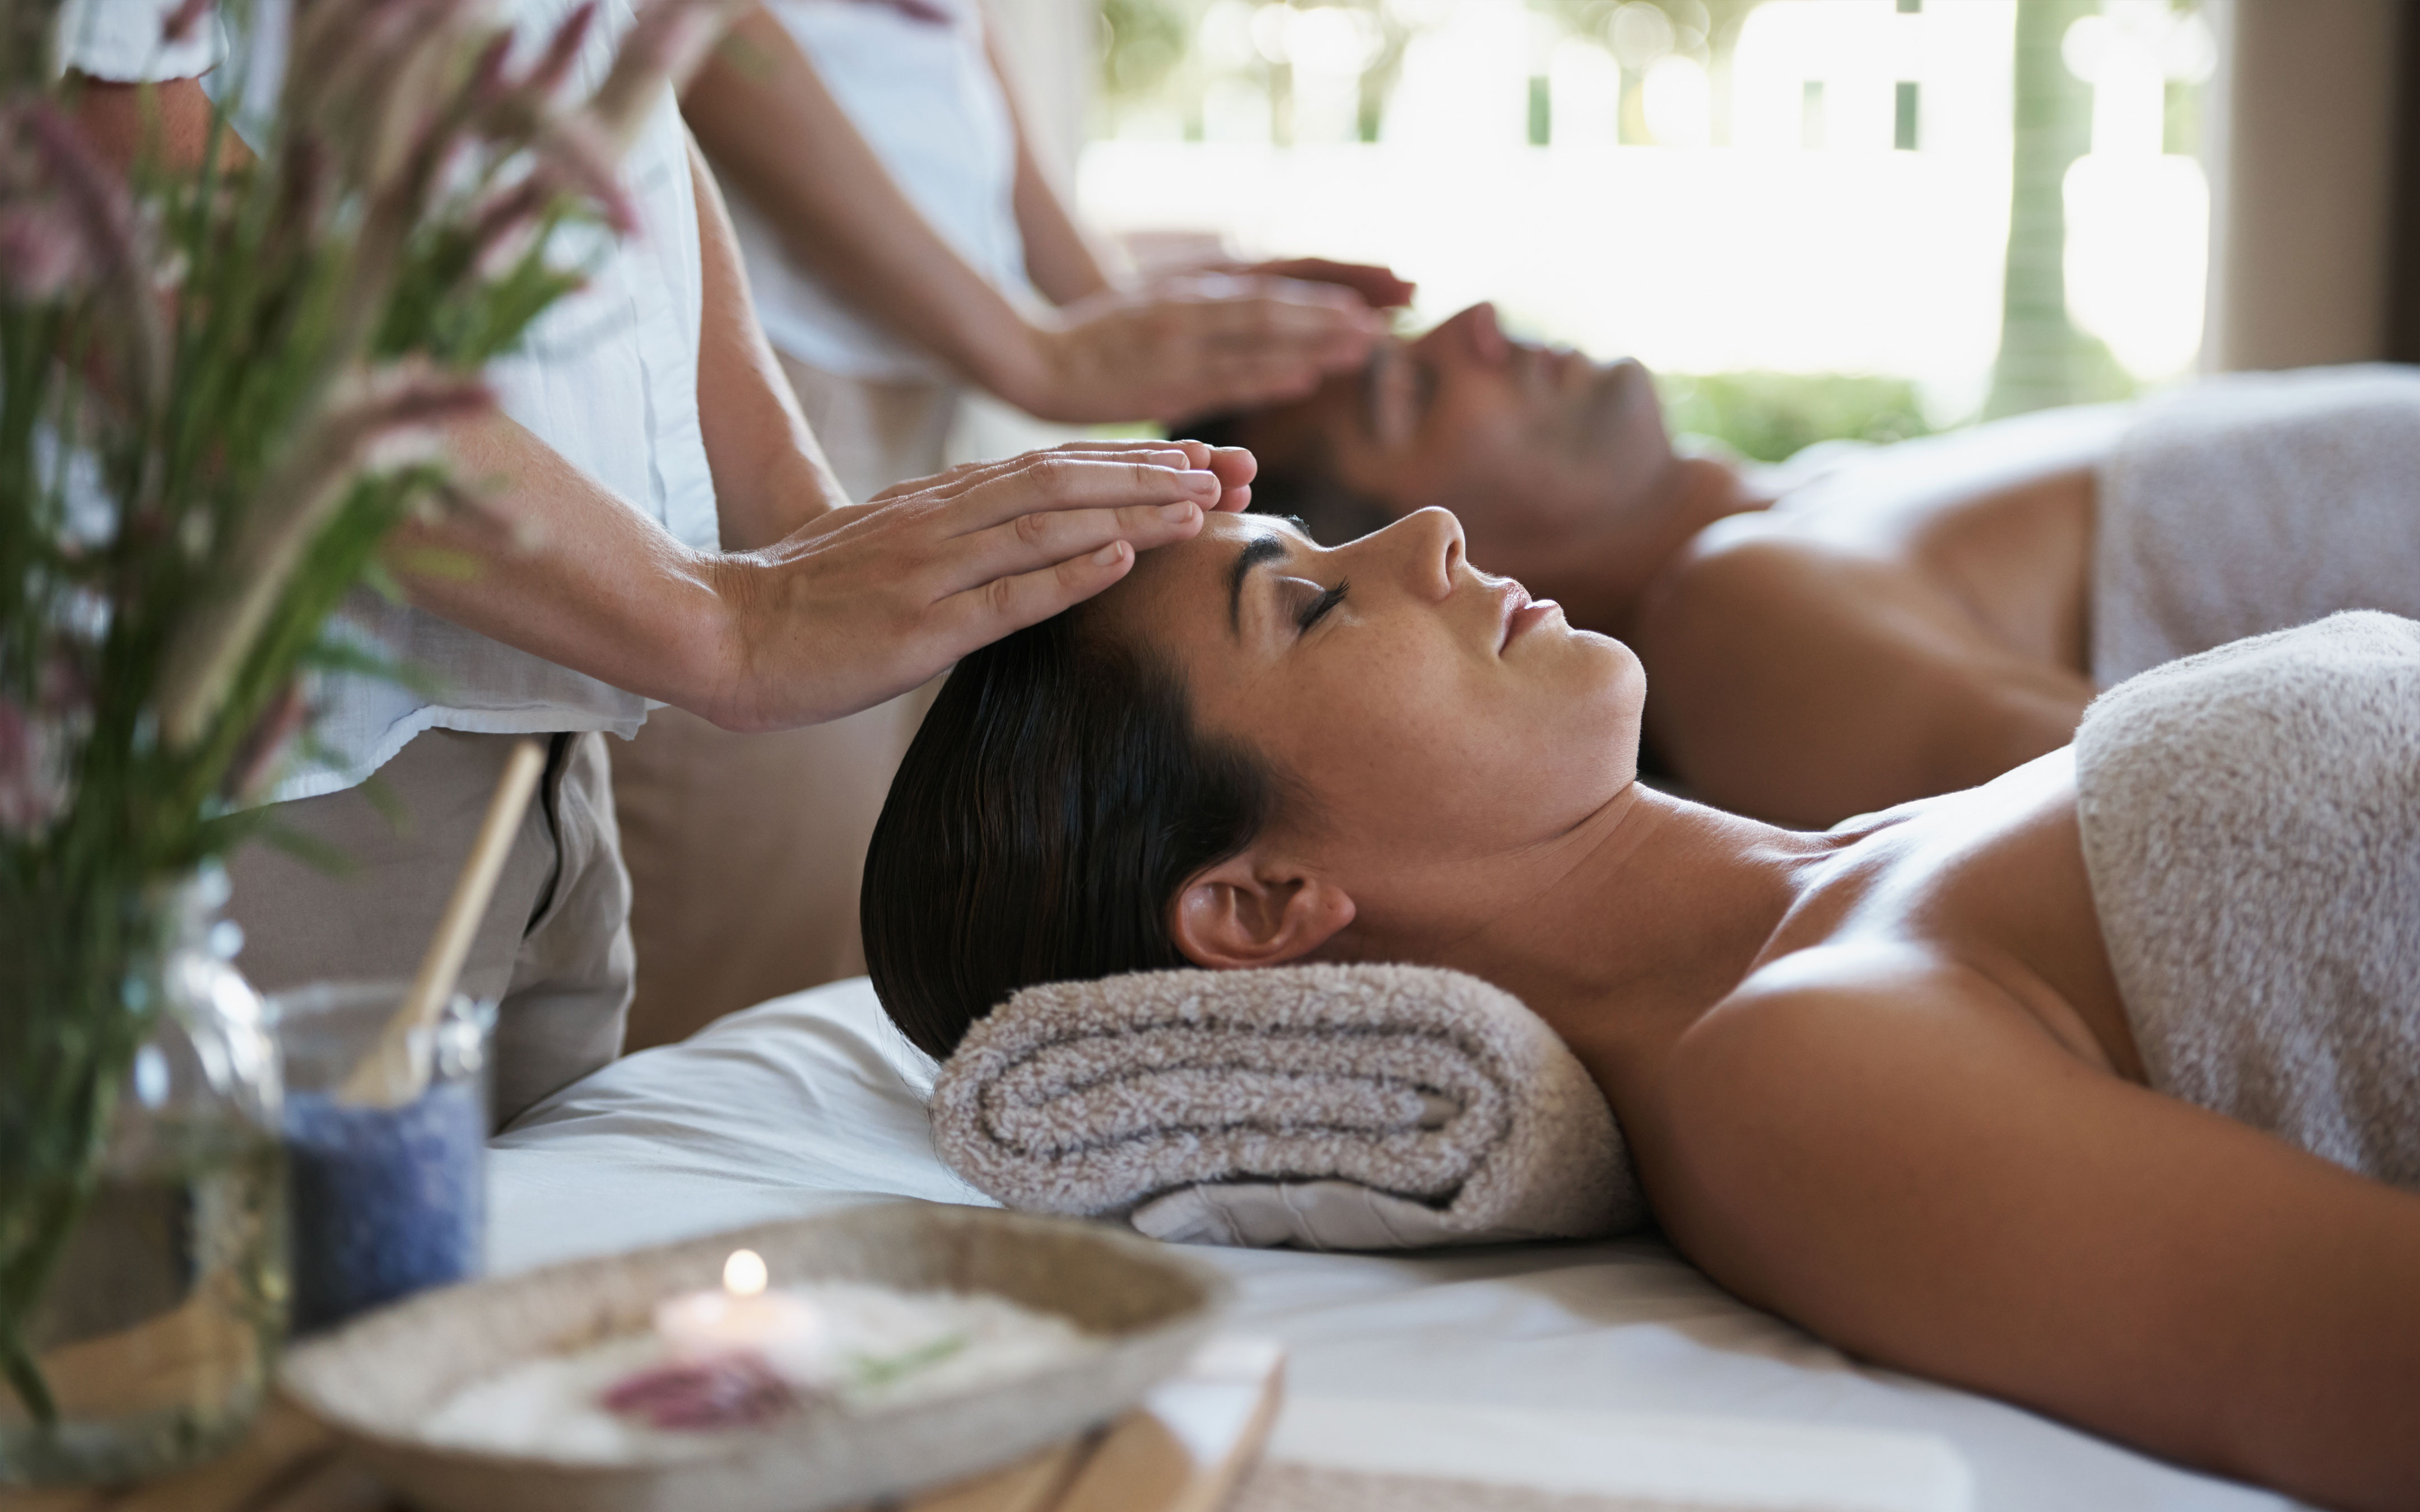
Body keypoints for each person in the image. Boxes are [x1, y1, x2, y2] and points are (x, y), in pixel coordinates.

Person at [859, 507, 2420, 1512]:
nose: (1431, 531)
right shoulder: (1798, 1071)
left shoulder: (1862, 864)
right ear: (1262, 905)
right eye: (1315, 607)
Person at [63, 0, 1252, 1122]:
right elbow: (97, 168)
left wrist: (794, 514)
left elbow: (629, 99)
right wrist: (717, 621)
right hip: (275, 756)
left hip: (548, 741)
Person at [604, 0, 1408, 1045]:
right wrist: (1026, 344)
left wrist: (1098, 307)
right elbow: (695, 25)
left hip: (891, 377)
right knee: (724, 987)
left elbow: (943, 42)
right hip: (761, 366)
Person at [1177, 302, 2420, 827]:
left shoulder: (1803, 505)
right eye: (1409, 388)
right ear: (1426, 553)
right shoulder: (1743, 612)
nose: (1478, 323)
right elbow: (2228, 805)